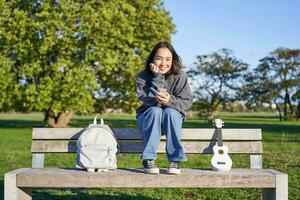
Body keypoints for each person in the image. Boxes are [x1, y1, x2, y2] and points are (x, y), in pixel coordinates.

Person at [136, 41, 193, 174]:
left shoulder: (180, 75)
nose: (163, 63)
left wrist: (170, 101)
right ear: (152, 59)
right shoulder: (143, 76)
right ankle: (148, 159)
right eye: (159, 58)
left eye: (168, 59)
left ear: (173, 60)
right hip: (149, 118)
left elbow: (186, 101)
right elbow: (148, 100)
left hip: (171, 120)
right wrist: (157, 77)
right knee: (156, 110)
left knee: (170, 112)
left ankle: (175, 160)